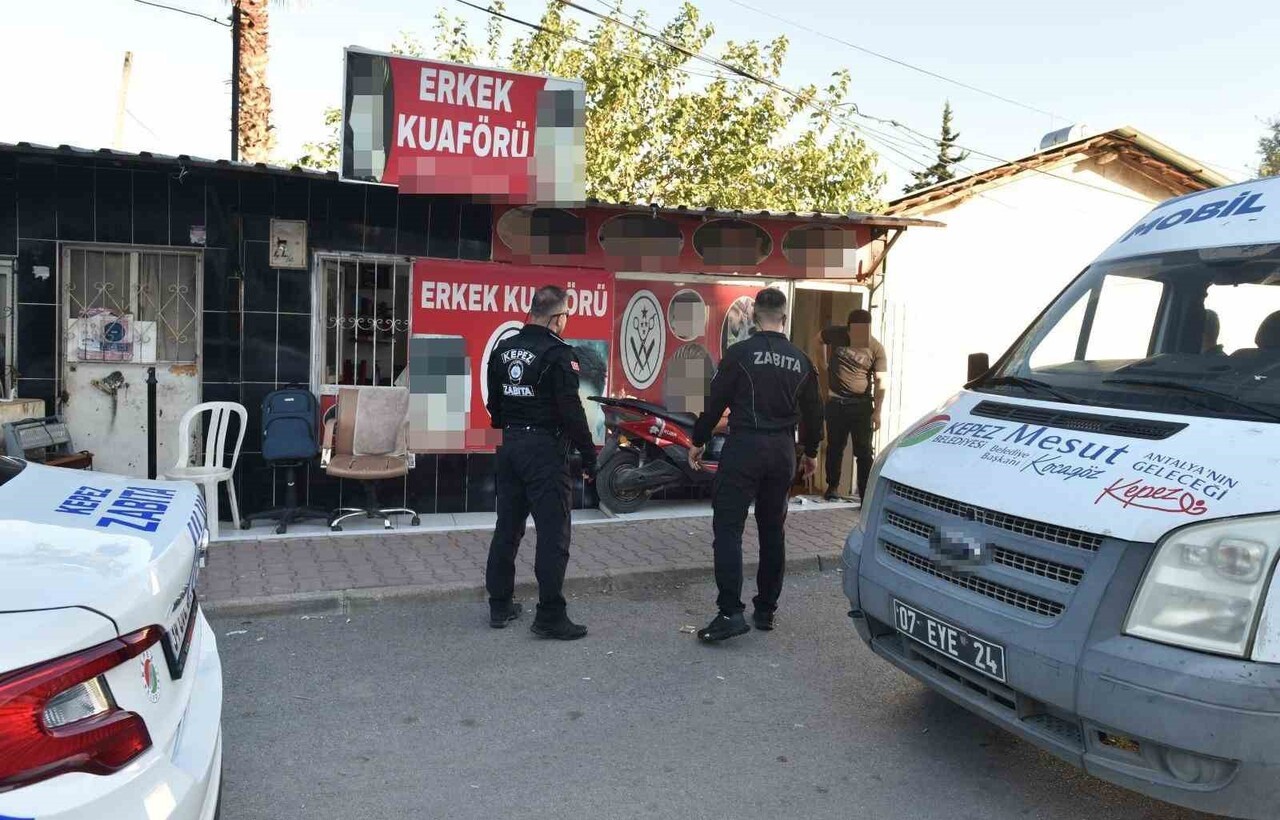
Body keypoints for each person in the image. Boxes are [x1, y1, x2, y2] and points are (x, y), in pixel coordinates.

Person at [688, 288, 823, 642]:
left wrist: (698, 440)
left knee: (729, 529)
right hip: (781, 451)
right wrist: (810, 452)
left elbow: (715, 403)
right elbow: (814, 412)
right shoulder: (802, 360)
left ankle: (730, 612)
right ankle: (765, 610)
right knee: (772, 531)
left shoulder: (739, 354)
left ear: (752, 316)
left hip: (744, 446)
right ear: (784, 317)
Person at [485, 286, 597, 640]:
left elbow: (495, 408)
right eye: (566, 317)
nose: (566, 323)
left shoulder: (503, 349)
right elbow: (572, 412)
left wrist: (511, 430)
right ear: (557, 317)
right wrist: (590, 455)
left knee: (508, 527)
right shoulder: (559, 354)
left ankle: (500, 605)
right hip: (545, 451)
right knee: (553, 533)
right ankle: (549, 615)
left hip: (510, 445)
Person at [818, 309, 887, 503]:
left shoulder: (876, 348)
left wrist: (877, 412)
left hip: (861, 406)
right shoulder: (837, 333)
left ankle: (865, 495)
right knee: (834, 447)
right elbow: (818, 340)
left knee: (864, 452)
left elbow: (881, 381)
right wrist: (822, 368)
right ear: (847, 329)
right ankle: (832, 487)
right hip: (836, 403)